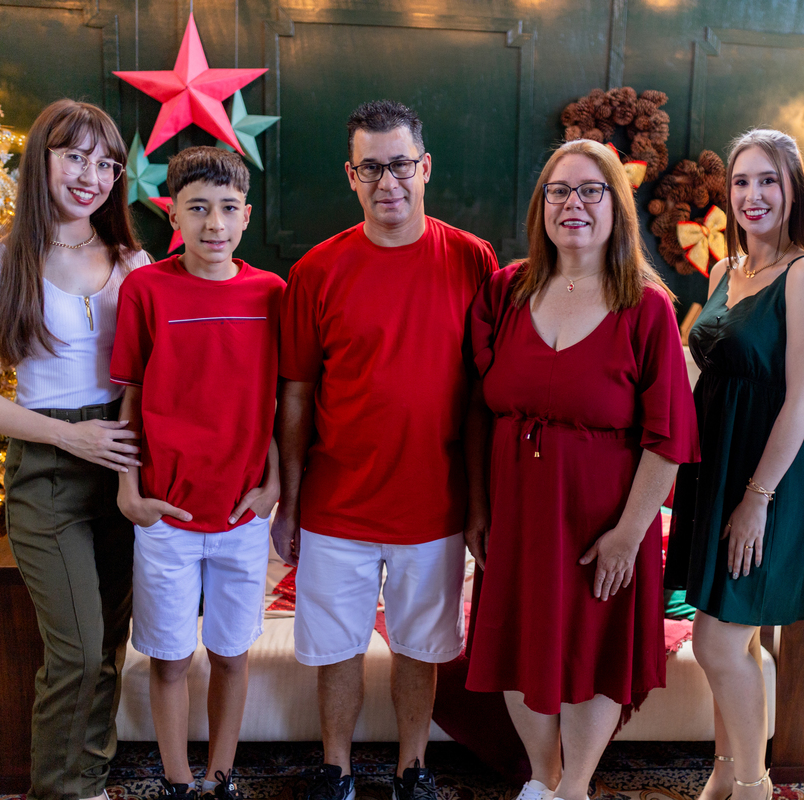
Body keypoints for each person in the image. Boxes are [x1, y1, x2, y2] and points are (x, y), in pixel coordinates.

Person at [271, 99, 498, 800]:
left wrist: (479, 505)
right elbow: (296, 396)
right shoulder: (316, 270)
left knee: (420, 647)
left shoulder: (472, 260)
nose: (387, 182)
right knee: (335, 645)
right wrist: (288, 501)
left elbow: (484, 397)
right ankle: (335, 768)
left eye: (400, 165)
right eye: (371, 168)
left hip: (434, 503)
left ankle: (412, 769)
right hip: (336, 502)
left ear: (425, 168)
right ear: (351, 176)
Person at [464, 138, 700, 800]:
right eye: (559, 191)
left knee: (595, 653)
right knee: (520, 645)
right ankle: (541, 781)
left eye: (591, 191)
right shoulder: (505, 291)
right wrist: (478, 510)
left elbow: (668, 439)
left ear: (616, 206)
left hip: (605, 522)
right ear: (541, 206)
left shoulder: (646, 307)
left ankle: (575, 788)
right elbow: (475, 409)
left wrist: (629, 534)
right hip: (518, 512)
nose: (574, 204)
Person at [0, 99, 148, 800]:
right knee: (78, 649)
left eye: (107, 163)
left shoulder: (132, 260)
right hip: (47, 470)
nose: (92, 176)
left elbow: (156, 372)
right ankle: (59, 790)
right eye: (75, 157)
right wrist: (68, 434)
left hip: (123, 465)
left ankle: (88, 781)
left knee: (109, 645)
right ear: (43, 159)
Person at [665, 129, 804, 800]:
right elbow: (702, 369)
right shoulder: (722, 271)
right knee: (731, 638)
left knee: (715, 642)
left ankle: (754, 786)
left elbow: (802, 397)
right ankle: (724, 771)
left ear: (793, 190)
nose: (752, 194)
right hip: (714, 465)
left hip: (768, 475)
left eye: (768, 180)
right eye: (742, 181)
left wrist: (756, 498)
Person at [110, 146, 283, 800]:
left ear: (246, 216)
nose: (215, 223)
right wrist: (130, 493)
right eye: (198, 209)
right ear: (173, 215)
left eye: (228, 209)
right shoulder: (146, 290)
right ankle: (179, 782)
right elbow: (130, 398)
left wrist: (272, 486)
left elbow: (278, 401)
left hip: (241, 515)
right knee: (170, 658)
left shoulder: (271, 294)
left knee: (232, 655)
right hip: (167, 514)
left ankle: (221, 775)